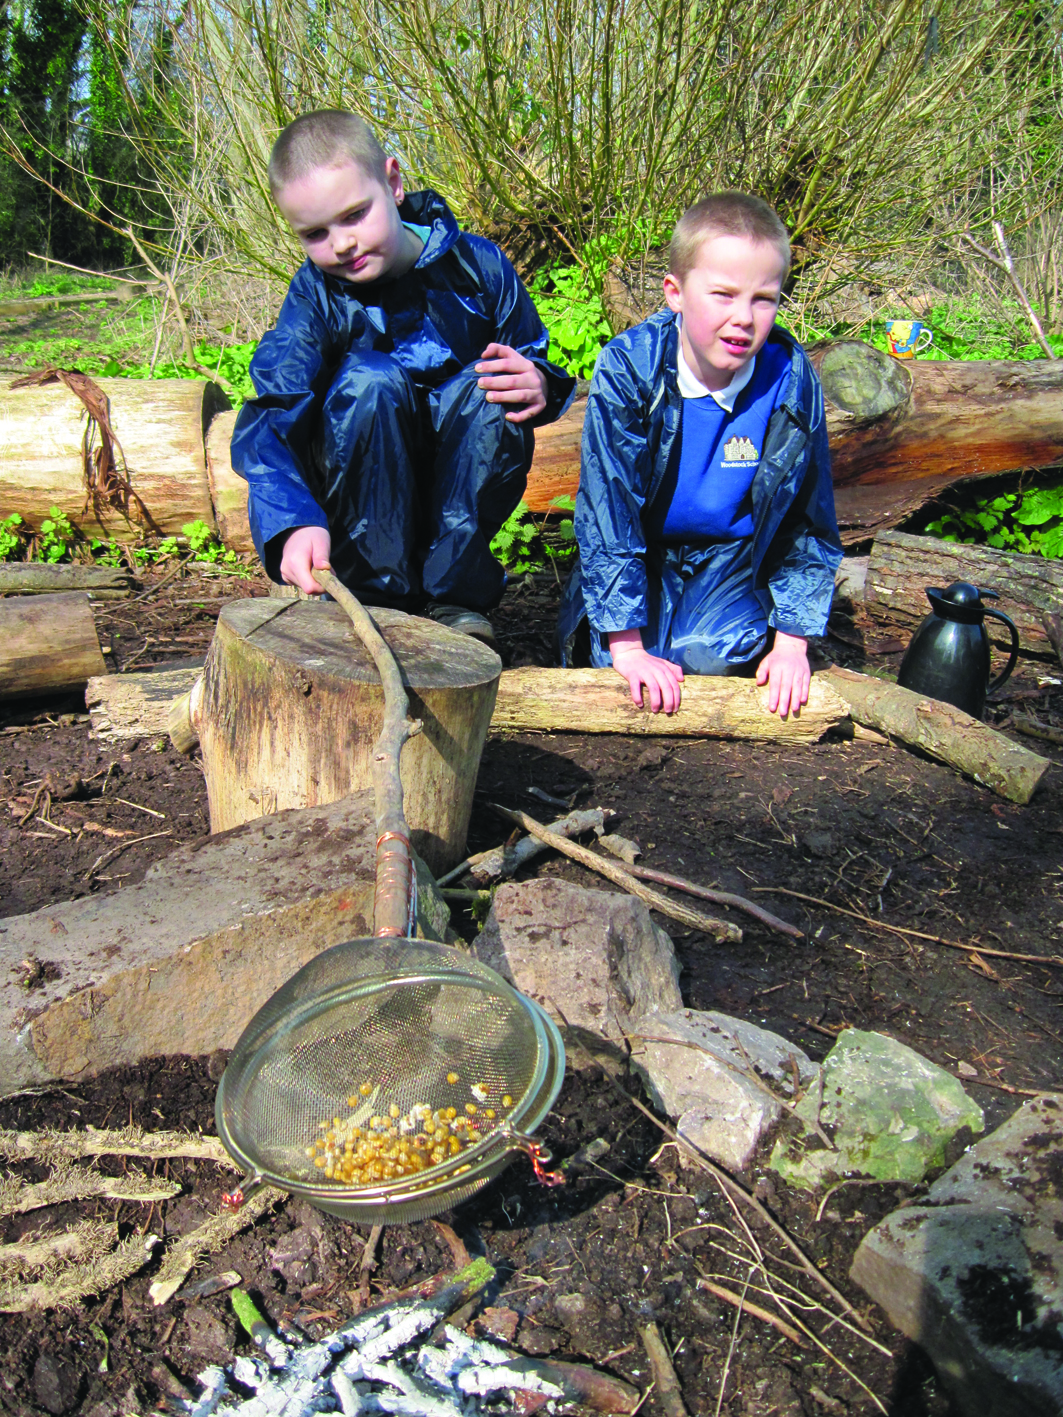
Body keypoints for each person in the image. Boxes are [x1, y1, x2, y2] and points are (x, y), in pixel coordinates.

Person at [231, 110, 575, 641]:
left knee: (491, 385)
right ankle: (373, 597)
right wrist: (290, 518)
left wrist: (541, 385)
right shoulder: (315, 295)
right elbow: (273, 412)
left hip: (459, 479)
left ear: (392, 182)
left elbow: (534, 361)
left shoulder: (477, 266)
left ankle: (453, 599)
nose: (342, 243)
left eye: (354, 215)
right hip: (360, 488)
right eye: (316, 233)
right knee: (370, 380)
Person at [557, 192, 842, 715]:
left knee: (705, 659)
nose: (744, 318)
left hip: (733, 558)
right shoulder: (630, 368)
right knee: (616, 666)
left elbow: (808, 518)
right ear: (676, 292)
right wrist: (626, 647)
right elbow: (607, 510)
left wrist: (792, 645)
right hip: (645, 549)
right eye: (723, 294)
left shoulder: (790, 377)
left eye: (764, 298)